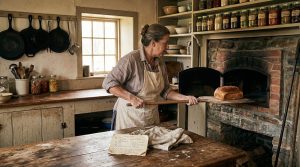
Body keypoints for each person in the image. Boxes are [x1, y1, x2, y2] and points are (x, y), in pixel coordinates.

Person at [102, 23, 198, 130]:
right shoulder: (132, 59)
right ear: (153, 43)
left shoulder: (160, 62)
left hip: (151, 117)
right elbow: (108, 83)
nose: (167, 47)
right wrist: (131, 98)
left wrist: (185, 98)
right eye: (165, 43)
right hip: (130, 118)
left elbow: (165, 91)